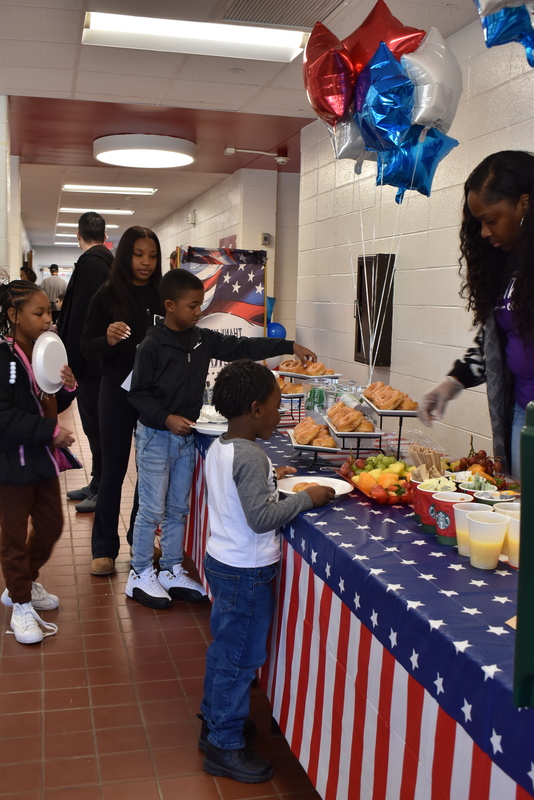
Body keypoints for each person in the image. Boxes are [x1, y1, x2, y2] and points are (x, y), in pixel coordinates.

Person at [126, 269, 319, 608]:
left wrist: (287, 345)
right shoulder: (151, 345)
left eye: (201, 304)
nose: (198, 311)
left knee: (178, 508)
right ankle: (140, 571)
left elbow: (243, 346)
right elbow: (137, 394)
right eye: (192, 305)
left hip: (185, 439)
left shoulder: (202, 339)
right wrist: (166, 418)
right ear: (170, 306)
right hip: (156, 437)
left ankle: (171, 567)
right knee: (152, 508)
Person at [198, 359, 334, 783]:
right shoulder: (251, 456)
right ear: (255, 409)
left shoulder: (223, 446)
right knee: (241, 658)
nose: (281, 415)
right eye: (277, 407)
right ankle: (223, 744)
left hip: (222, 560)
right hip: (247, 571)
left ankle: (215, 719)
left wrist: (272, 476)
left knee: (224, 647)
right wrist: (308, 498)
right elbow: (260, 517)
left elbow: (239, 493)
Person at [420, 150, 534, 478]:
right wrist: (452, 382)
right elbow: (495, 341)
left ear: (524, 205)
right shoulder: (510, 266)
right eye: (479, 222)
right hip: (520, 412)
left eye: (490, 220)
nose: (484, 233)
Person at [80, 226, 163, 576]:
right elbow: (86, 346)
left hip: (153, 398)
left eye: (152, 255)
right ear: (126, 254)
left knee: (148, 475)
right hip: (114, 391)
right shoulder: (107, 294)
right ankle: (104, 549)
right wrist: (108, 340)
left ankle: (139, 542)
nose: (146, 262)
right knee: (113, 471)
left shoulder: (164, 294)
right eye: (138, 254)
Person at [0, 281, 76, 644]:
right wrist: (49, 432)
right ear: (14, 316)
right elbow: (5, 414)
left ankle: (23, 583)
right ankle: (20, 605)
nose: (48, 320)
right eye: (39, 313)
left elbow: (47, 401)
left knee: (51, 525)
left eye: (50, 312)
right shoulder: (5, 358)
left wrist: (66, 388)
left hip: (40, 461)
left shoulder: (39, 351)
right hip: (11, 464)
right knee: (13, 538)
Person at [58, 212, 113, 512]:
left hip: (94, 363)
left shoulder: (91, 264)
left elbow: (82, 317)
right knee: (95, 426)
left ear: (78, 235)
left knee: (97, 426)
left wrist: (73, 363)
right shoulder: (108, 262)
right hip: (102, 358)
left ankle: (102, 487)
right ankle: (97, 481)